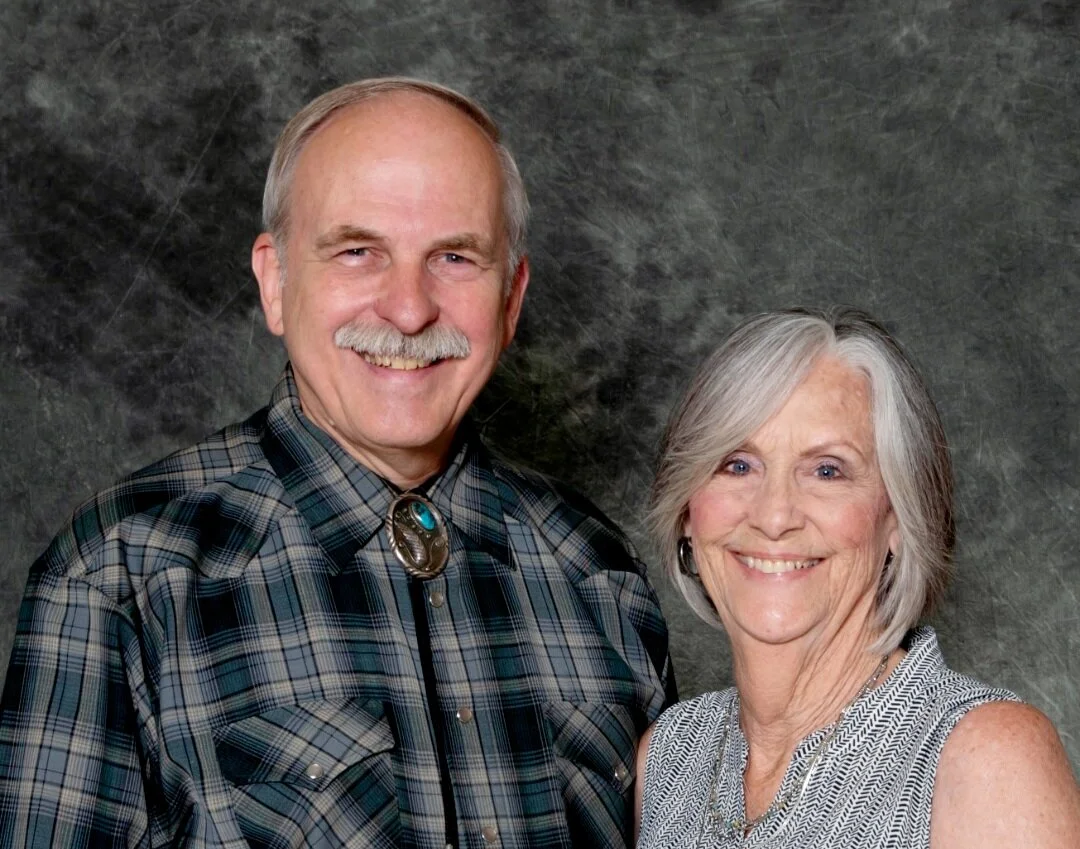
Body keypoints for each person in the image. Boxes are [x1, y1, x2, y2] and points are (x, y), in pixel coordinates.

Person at [0, 78, 675, 849]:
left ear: (511, 299)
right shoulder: (120, 573)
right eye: (359, 252)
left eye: (455, 257)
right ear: (276, 281)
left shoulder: (597, 572)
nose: (409, 309)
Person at [636, 307, 1080, 848]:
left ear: (897, 518)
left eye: (827, 470)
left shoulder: (990, 758)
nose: (773, 516)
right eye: (738, 465)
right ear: (687, 510)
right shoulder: (669, 756)